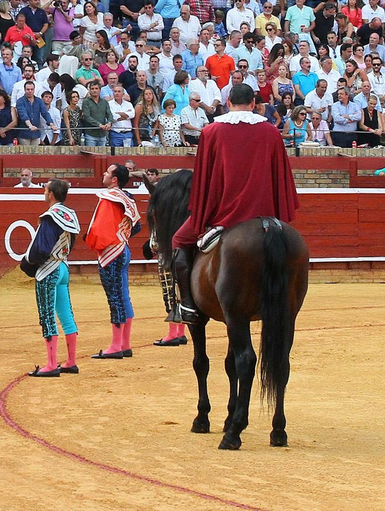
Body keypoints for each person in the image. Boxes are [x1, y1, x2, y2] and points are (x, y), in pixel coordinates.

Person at [170, 83, 299, 321]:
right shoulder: (271, 131)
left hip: (222, 216)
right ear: (254, 105)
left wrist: (205, 212)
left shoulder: (211, 131)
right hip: (264, 215)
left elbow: (204, 178)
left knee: (179, 238)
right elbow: (279, 176)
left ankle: (187, 304)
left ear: (228, 102)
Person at [21, 178, 80, 377]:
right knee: (66, 314)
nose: (43, 192)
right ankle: (71, 361)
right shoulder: (70, 214)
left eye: (45, 189)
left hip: (49, 269)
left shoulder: (50, 217)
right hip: (63, 265)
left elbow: (41, 248)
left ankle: (51, 364)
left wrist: (29, 264)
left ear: (51, 194)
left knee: (47, 315)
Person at [87, 163, 141, 360]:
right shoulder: (126, 198)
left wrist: (108, 241)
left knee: (115, 297)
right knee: (123, 295)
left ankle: (116, 346)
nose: (104, 174)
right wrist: (122, 236)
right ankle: (124, 344)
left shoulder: (110, 197)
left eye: (107, 172)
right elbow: (137, 226)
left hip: (112, 252)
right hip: (123, 249)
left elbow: (100, 229)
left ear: (115, 179)